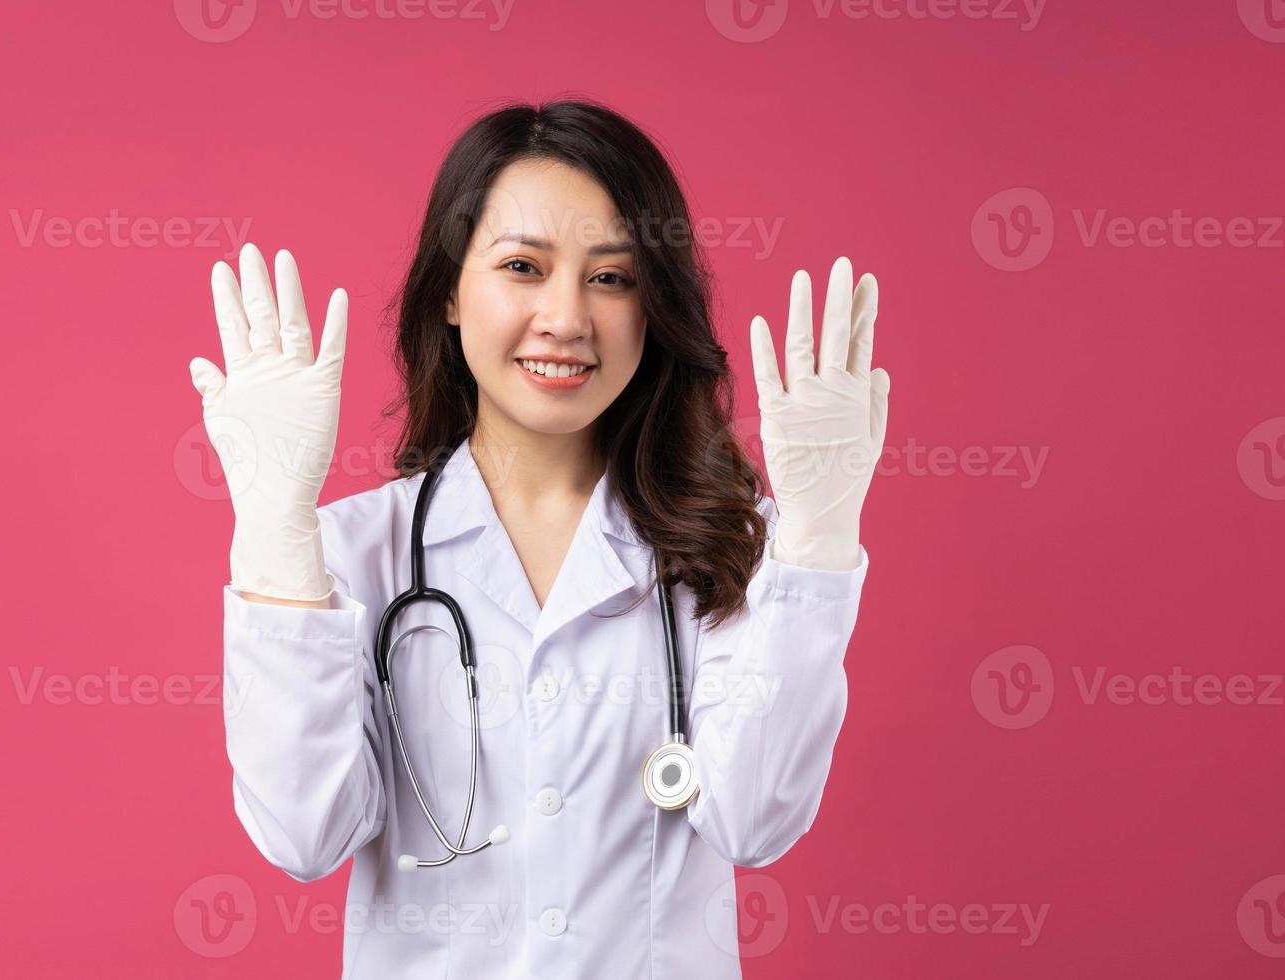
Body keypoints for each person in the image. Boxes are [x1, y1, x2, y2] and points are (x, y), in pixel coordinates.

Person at [187, 99, 890, 979]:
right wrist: (274, 526)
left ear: (653, 306)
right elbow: (306, 835)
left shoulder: (736, 551)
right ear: (449, 288)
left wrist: (820, 537)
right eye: (523, 266)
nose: (565, 318)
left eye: (612, 277)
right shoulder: (349, 556)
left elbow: (754, 823)